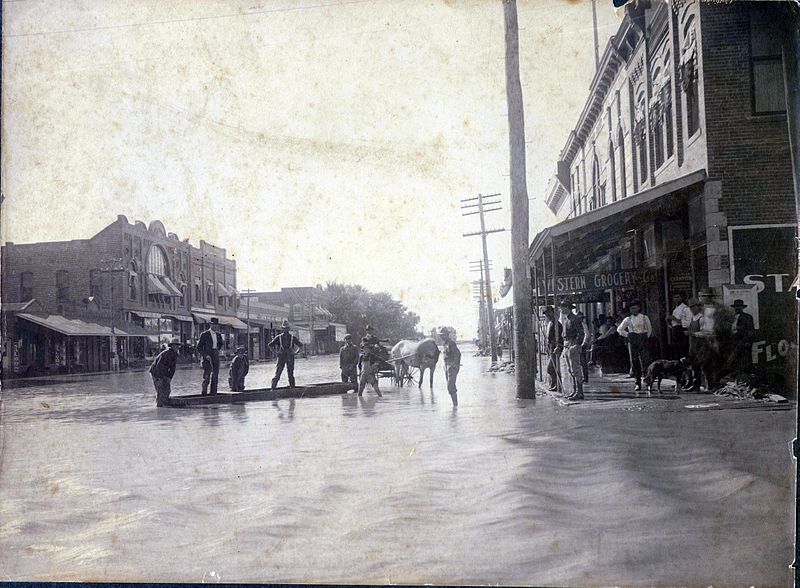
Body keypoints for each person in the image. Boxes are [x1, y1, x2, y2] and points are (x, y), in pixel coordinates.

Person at [616, 301, 652, 392]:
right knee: (634, 361)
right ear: (630, 310)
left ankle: (648, 382)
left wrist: (645, 337)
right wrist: (628, 335)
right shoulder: (628, 319)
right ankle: (637, 383)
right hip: (633, 341)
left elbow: (650, 329)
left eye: (635, 308)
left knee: (645, 361)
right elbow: (619, 329)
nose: (634, 310)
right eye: (632, 308)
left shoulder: (644, 317)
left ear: (639, 308)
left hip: (643, 339)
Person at [558, 301, 589, 400]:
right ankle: (574, 390)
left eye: (562, 307)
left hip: (573, 343)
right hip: (567, 343)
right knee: (570, 370)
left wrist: (578, 344)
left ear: (567, 307)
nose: (560, 309)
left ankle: (579, 392)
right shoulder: (566, 319)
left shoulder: (575, 319)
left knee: (575, 369)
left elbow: (581, 333)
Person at [721, 299, 756, 377]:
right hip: (733, 343)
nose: (737, 308)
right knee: (733, 362)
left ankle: (745, 380)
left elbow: (751, 331)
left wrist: (747, 342)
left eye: (739, 306)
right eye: (736, 306)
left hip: (743, 342)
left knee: (744, 362)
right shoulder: (730, 318)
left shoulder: (747, 317)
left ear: (742, 308)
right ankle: (735, 380)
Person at [268, 319, 303, 389]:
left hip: (290, 357)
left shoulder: (292, 337)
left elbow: (301, 345)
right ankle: (273, 387)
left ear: (289, 329)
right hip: (281, 357)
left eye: (287, 328)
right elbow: (270, 345)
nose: (285, 330)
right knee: (278, 373)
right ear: (282, 329)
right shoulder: (278, 337)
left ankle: (292, 387)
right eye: (284, 328)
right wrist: (276, 352)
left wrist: (295, 353)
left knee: (290, 373)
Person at [149, 337, 181, 407]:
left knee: (167, 389)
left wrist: (169, 378)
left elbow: (172, 369)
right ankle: (160, 406)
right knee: (160, 390)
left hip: (164, 373)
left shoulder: (175, 355)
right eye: (175, 345)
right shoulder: (166, 353)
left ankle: (165, 404)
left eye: (178, 345)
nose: (177, 347)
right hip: (156, 373)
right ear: (171, 346)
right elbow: (159, 366)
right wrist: (160, 378)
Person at [197, 318, 224, 395]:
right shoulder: (205, 334)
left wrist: (217, 350)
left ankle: (213, 392)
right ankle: (204, 392)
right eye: (213, 325)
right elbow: (199, 347)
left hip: (215, 354)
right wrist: (205, 355)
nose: (215, 326)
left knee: (215, 374)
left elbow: (220, 344)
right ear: (210, 325)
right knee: (207, 375)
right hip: (207, 356)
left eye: (216, 325)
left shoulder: (218, 335)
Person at [666, 293, 693, 360]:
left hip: (682, 331)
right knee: (676, 350)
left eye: (678, 297)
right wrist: (669, 321)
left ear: (681, 298)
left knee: (683, 350)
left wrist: (675, 319)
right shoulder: (675, 309)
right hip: (675, 331)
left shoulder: (686, 308)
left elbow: (688, 323)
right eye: (674, 297)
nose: (676, 299)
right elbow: (673, 324)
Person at [439, 327, 461, 406]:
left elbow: (458, 354)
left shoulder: (451, 343)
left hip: (451, 366)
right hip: (446, 365)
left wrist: (455, 365)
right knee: (449, 386)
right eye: (441, 335)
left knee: (450, 386)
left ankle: (455, 406)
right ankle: (455, 405)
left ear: (447, 335)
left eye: (443, 335)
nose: (441, 337)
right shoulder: (444, 344)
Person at [543, 307, 562, 392]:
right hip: (550, 348)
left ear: (552, 312)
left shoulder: (557, 324)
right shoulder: (550, 323)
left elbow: (559, 338)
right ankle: (555, 384)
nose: (547, 315)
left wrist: (557, 347)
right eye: (546, 314)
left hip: (555, 348)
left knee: (550, 368)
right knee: (553, 368)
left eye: (548, 313)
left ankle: (557, 384)